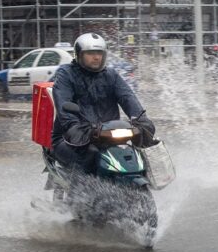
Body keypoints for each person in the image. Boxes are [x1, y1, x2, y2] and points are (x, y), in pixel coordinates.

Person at [50, 33, 155, 175]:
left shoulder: (111, 75)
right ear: (79, 55)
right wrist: (74, 127)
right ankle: (77, 196)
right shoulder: (66, 74)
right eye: (90, 53)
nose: (96, 57)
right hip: (72, 138)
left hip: (107, 135)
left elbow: (127, 97)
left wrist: (141, 119)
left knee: (135, 154)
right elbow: (64, 104)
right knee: (91, 155)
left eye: (99, 53)